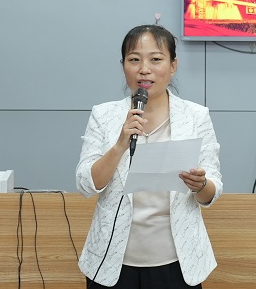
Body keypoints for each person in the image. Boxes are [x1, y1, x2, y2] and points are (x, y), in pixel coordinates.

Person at [76, 24, 222, 288]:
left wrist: (200, 184)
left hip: (178, 263)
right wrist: (119, 145)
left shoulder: (196, 116)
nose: (144, 69)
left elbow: (212, 193)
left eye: (155, 59)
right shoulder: (104, 115)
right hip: (111, 262)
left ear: (173, 65)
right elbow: (86, 185)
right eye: (134, 60)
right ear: (123, 66)